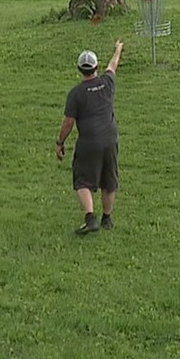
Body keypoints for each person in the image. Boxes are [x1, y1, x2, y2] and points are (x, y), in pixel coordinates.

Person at [56, 41, 124, 235]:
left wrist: (60, 143)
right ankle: (107, 219)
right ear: (96, 67)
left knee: (83, 179)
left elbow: (68, 122)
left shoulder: (76, 94)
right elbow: (113, 65)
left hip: (89, 141)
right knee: (109, 179)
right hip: (110, 138)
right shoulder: (107, 82)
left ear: (79, 69)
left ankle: (90, 218)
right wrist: (118, 49)